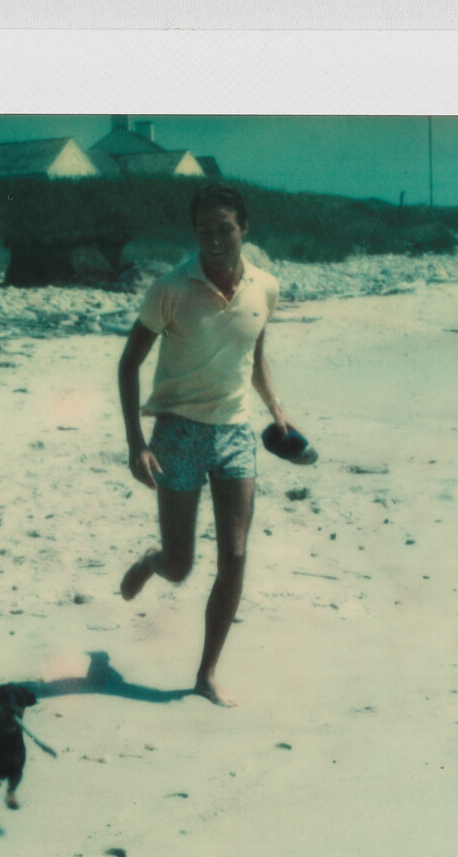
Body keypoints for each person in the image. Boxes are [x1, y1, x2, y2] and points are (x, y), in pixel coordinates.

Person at [117, 184, 296, 706]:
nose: (214, 240)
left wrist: (276, 409)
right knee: (180, 566)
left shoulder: (266, 287)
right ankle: (153, 562)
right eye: (204, 231)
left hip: (235, 432)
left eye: (225, 230)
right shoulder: (170, 288)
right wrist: (135, 444)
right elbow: (129, 364)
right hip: (176, 431)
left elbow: (254, 357)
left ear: (244, 229)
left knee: (235, 556)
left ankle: (206, 674)